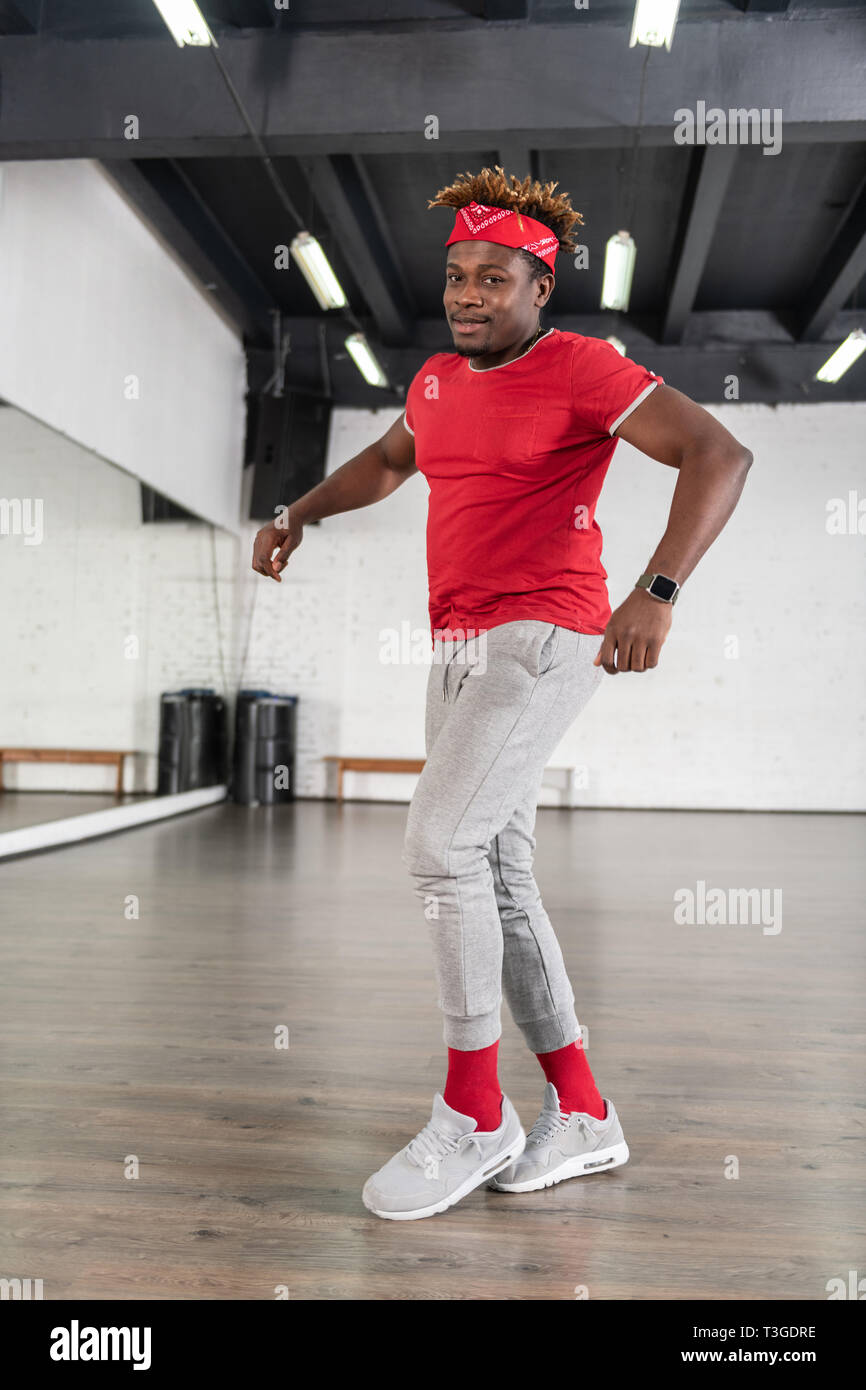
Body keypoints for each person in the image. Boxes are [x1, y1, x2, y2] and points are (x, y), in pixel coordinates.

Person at [252, 166, 753, 1222]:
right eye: (456, 276)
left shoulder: (580, 368)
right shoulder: (435, 381)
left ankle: (475, 1114)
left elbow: (717, 451)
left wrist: (655, 590)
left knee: (439, 849)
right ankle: (582, 1110)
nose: (468, 294)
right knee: (498, 870)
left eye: (494, 277)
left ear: (539, 289)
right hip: (456, 645)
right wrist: (301, 509)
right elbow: (392, 462)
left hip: (543, 634)